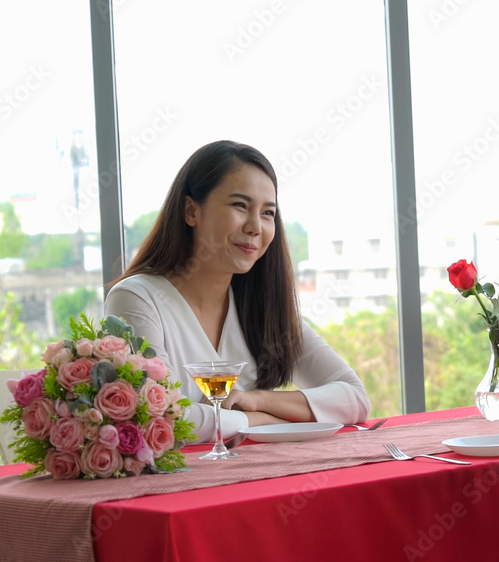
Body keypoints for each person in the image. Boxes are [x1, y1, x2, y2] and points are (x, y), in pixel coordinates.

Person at [104, 140, 371, 443]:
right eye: (240, 206)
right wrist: (264, 422)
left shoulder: (263, 305)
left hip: (260, 480)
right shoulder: (137, 299)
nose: (256, 227)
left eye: (268, 212)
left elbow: (354, 399)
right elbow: (165, 418)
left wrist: (257, 401)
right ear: (192, 211)